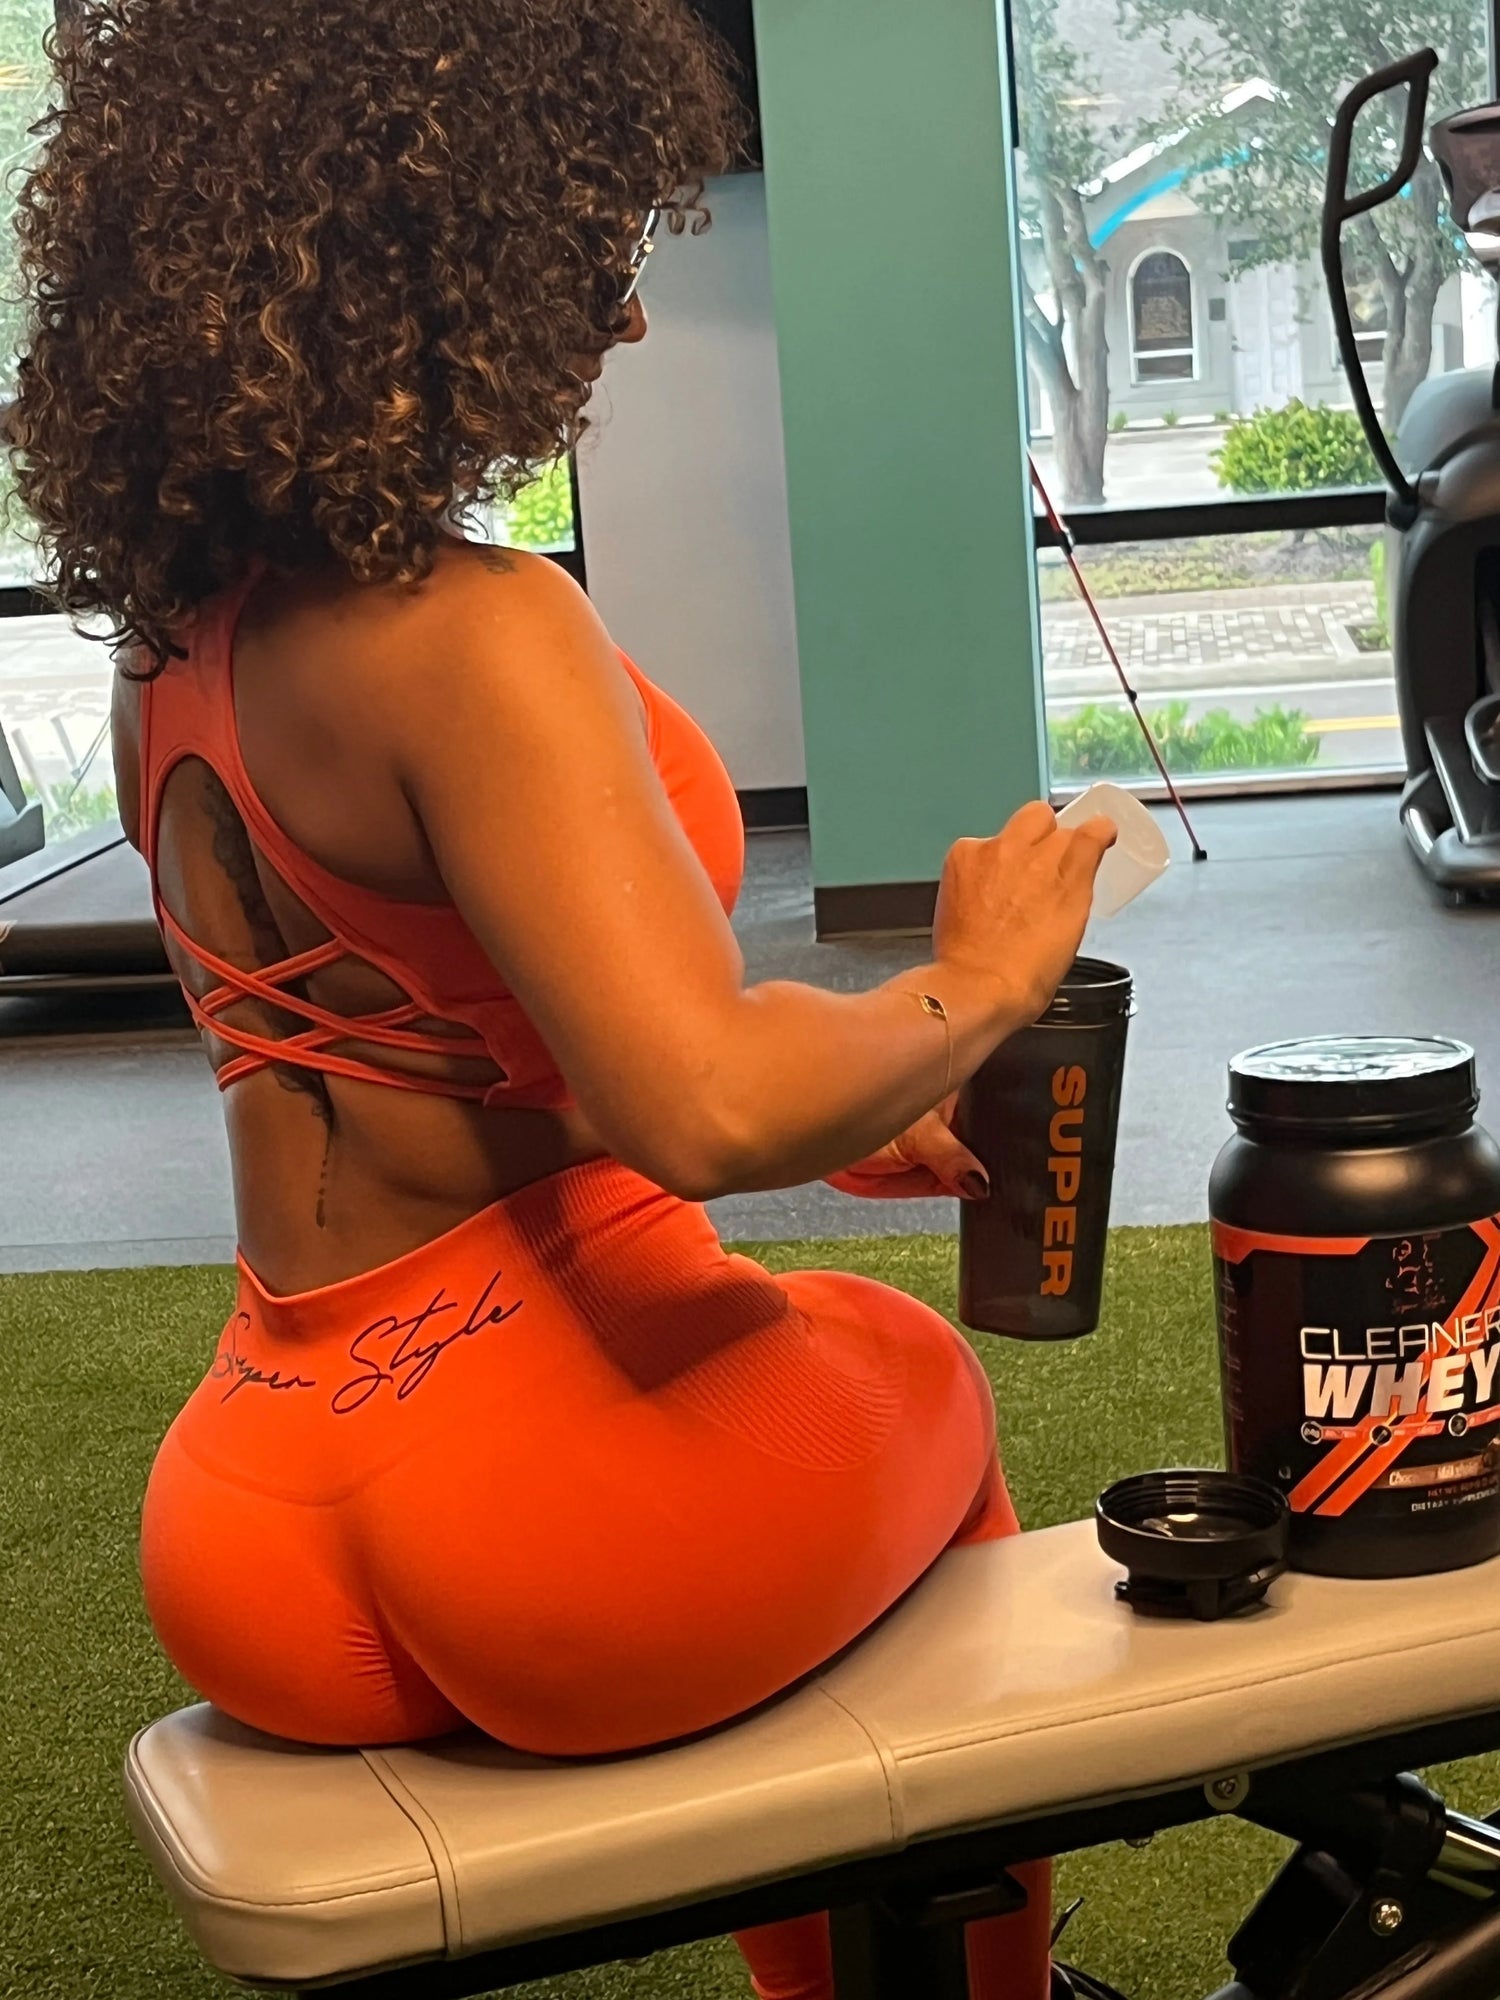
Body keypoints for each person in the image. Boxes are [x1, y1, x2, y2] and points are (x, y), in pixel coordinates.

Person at [10, 4, 1114, 1996]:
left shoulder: (185, 634)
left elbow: (421, 1049)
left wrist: (847, 1102)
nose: (612, 323)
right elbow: (701, 1098)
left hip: (252, 1512)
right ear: (441, 256)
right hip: (518, 1508)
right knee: (922, 1399)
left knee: (784, 1384)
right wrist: (973, 979)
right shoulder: (480, 630)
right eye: (586, 249)